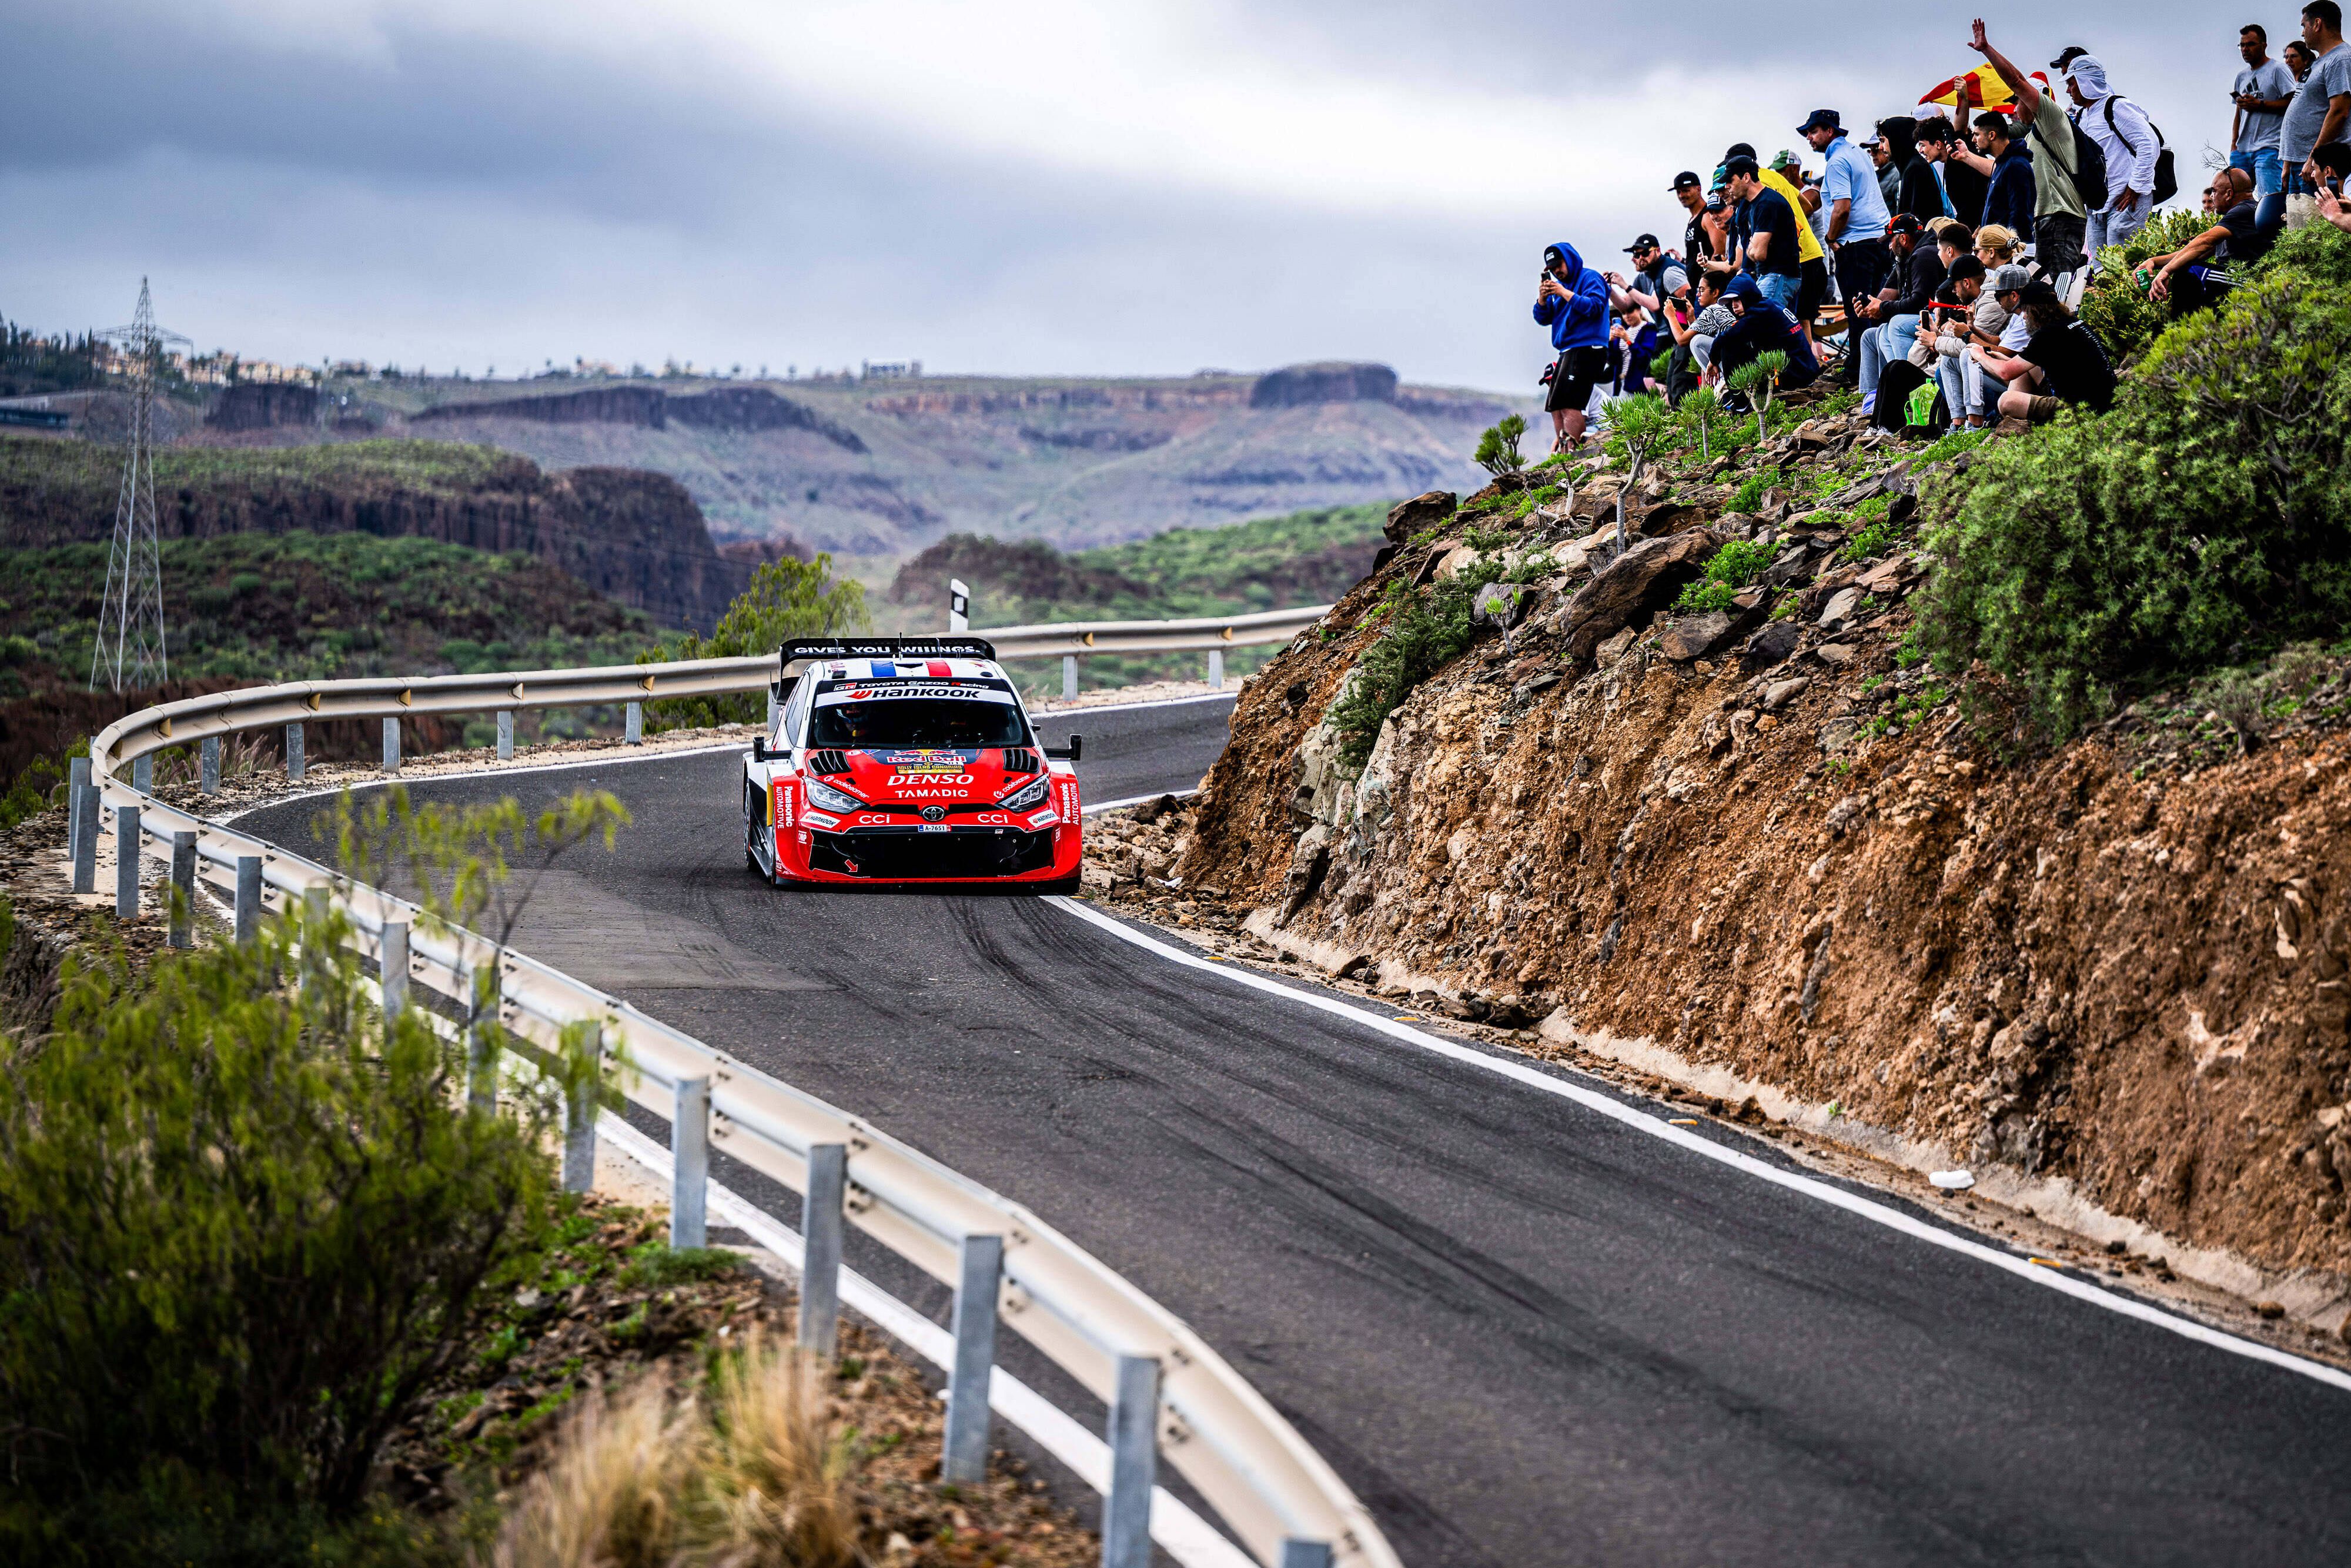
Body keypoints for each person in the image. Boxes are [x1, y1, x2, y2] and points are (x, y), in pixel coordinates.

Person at [1968, 19, 2089, 292]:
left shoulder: (2053, 120)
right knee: (2040, 292)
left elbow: (2017, 80)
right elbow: (2002, 173)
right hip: (2044, 220)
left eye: (2017, 101)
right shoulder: (2031, 137)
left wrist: (1986, 49)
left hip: (2062, 218)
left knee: (2059, 293)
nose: (2013, 110)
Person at [1804, 108, 1894, 390]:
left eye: (1814, 131)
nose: (1809, 137)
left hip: (1856, 245)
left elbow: (1842, 208)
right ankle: (1877, 369)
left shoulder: (1837, 162)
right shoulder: (1856, 153)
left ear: (1830, 131)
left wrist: (1831, 239)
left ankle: (1858, 372)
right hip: (1879, 239)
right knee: (1877, 309)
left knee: (1857, 311)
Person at [2062, 55, 2163, 255]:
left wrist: (2135, 187)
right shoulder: (2082, 116)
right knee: (2100, 271)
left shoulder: (2116, 107)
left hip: (2126, 202)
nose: (2068, 90)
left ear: (2085, 82)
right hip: (2098, 209)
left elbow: (2149, 144)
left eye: (2071, 84)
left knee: (2125, 267)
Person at [2142, 167, 2273, 315]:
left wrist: (2166, 271)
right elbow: (2194, 253)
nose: (2211, 197)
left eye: (2214, 191)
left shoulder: (2244, 211)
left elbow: (2205, 241)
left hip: (2248, 281)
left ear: (2229, 194)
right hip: (2234, 278)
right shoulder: (2237, 216)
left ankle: (2182, 332)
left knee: (2189, 272)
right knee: (2188, 266)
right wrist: (2154, 262)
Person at [1981, 282, 2117, 420]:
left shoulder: (2048, 335)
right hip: (2102, 398)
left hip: (2081, 409)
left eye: (2025, 310)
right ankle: (2016, 422)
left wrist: (1980, 355)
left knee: (2007, 401)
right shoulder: (2072, 322)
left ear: (2036, 309)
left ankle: (2018, 424)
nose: (2024, 317)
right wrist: (2003, 359)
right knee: (2023, 369)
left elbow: (2006, 373)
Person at [1857, 214, 1944, 410]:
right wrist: (1869, 306)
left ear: (1903, 239)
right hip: (1920, 317)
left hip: (1935, 320)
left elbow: (1919, 302)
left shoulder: (1923, 256)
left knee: (1895, 325)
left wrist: (1882, 308)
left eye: (1891, 240)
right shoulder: (1905, 259)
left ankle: (1907, 390)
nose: (1889, 246)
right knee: (1871, 335)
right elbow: (1886, 297)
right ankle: (1876, 398)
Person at [1533, 241, 1611, 452]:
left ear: (1569, 260)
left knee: (1570, 402)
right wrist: (1543, 299)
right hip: (1567, 350)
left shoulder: (1590, 278)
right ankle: (1563, 450)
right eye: (1552, 269)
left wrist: (1563, 293)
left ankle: (1574, 451)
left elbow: (1595, 307)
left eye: (1560, 265)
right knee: (1556, 404)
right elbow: (1543, 318)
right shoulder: (1561, 288)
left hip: (1588, 347)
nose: (1557, 271)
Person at [2283, 2, 2351, 227]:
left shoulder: (2340, 59)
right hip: (2300, 163)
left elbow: (2339, 111)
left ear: (2317, 24)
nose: (2302, 32)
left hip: (2317, 167)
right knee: (2297, 234)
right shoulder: (2320, 62)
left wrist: (2314, 159)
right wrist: (2288, 160)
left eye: (2304, 26)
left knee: (2313, 233)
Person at [1710, 275, 1822, 395]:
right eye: (1731, 302)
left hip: (1797, 376)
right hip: (1805, 370)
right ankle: (1747, 394)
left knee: (1728, 347)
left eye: (1737, 299)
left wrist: (1713, 361)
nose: (1733, 306)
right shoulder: (1769, 305)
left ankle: (1740, 405)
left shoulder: (1759, 314)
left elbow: (1724, 338)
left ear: (1748, 296)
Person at [2234, 22, 2299, 231]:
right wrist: (2234, 144)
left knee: (2269, 201)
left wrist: (2260, 105)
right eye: (2242, 45)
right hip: (2243, 149)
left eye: (2250, 44)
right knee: (2235, 202)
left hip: (2269, 146)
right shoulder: (2242, 76)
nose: (2246, 49)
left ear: (2263, 45)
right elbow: (2238, 111)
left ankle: (2273, 243)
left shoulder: (2278, 70)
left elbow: (2293, 103)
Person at [1723, 155, 1805, 313]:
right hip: (1771, 275)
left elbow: (1759, 253)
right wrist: (1753, 246)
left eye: (1731, 181)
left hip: (1778, 276)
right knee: (1777, 330)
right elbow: (1754, 250)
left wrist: (1754, 247)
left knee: (1764, 326)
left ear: (1746, 177)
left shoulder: (1767, 203)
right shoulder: (1756, 204)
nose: (1727, 186)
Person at [1967, 111, 2038, 235]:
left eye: (1977, 135)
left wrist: (2013, 247)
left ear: (1992, 135)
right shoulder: (2002, 164)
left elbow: (2019, 214)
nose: (1973, 140)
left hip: (2008, 249)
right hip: (1998, 245)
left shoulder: (2016, 165)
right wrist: (1984, 228)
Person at [1897, 117, 1956, 221]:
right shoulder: (1950, 166)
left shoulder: (1959, 167)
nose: (1920, 151)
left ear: (1938, 144)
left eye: (1922, 145)